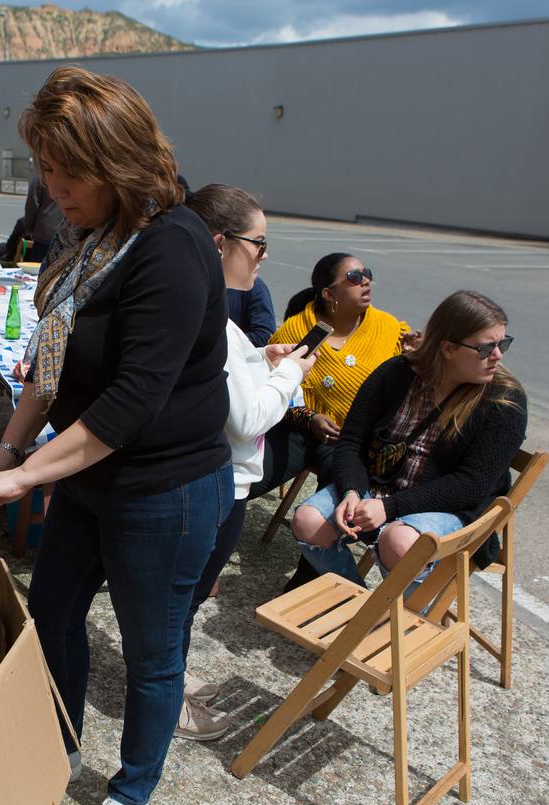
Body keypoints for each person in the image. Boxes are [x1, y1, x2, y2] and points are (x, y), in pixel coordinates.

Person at [0, 66, 233, 805]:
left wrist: (22, 479)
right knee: (50, 613)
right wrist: (10, 448)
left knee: (154, 653)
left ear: (119, 161)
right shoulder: (86, 240)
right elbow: (50, 371)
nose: (52, 190)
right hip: (88, 478)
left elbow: (129, 404)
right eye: (45, 170)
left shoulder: (173, 247)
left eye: (67, 172)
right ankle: (61, 742)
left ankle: (132, 795)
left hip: (167, 489)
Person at [172, 184, 316, 738]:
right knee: (183, 600)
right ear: (218, 242)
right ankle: (169, 696)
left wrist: (263, 358)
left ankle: (174, 680)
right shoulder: (210, 319)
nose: (262, 255)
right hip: (216, 483)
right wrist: (289, 374)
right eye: (258, 242)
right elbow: (246, 419)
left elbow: (229, 376)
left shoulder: (218, 316)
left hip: (224, 483)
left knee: (189, 597)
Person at [292, 290, 525, 589]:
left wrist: (389, 508)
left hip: (449, 509)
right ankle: (361, 605)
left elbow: (471, 485)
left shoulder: (504, 401)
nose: (498, 356)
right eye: (486, 348)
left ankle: (402, 617)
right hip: (377, 491)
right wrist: (351, 491)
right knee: (308, 522)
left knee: (399, 542)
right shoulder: (397, 373)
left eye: (503, 343)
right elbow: (352, 441)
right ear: (448, 349)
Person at [251, 253, 412, 587]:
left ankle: (311, 582)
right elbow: (275, 385)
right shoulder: (298, 328)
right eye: (354, 277)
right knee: (245, 476)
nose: (365, 281)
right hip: (300, 430)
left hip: (355, 442)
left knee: (338, 483)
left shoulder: (388, 328)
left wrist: (417, 352)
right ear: (329, 293)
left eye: (366, 274)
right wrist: (310, 418)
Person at [0, 175, 63, 263]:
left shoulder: (41, 177)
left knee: (38, 272)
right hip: (67, 235)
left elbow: (31, 207)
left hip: (44, 235)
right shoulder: (72, 175)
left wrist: (31, 230)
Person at [229, 275, 277, 346]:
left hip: (236, 353)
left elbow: (265, 336)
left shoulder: (254, 286)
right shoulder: (208, 282)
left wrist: (228, 341)